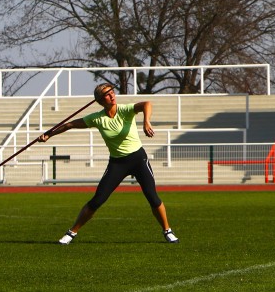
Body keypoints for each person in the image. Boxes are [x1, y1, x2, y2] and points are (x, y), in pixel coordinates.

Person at [39, 83, 179, 244]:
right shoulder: (97, 118)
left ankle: (167, 230)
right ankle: (71, 233)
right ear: (100, 100)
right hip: (117, 163)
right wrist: (49, 134)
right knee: (98, 199)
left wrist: (146, 121)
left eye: (112, 92)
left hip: (138, 159)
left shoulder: (125, 110)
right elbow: (69, 124)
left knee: (152, 198)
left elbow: (146, 104)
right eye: (107, 94)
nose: (112, 95)